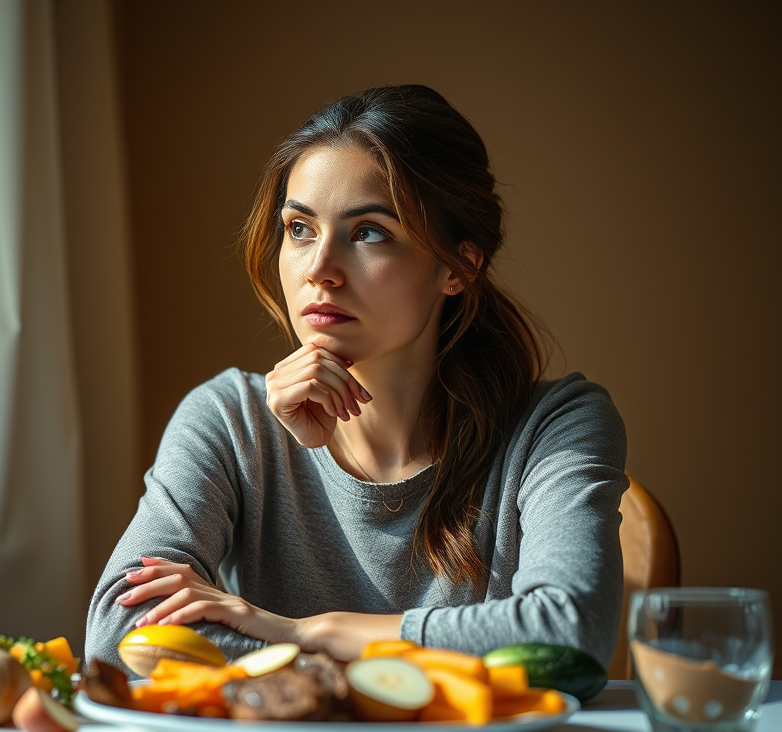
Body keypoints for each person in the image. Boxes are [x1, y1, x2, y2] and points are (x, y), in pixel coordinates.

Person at [84, 84, 627, 673]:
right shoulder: (230, 419)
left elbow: (569, 633)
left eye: (369, 232)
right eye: (299, 229)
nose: (319, 269)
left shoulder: (559, 425)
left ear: (459, 265)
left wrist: (308, 632)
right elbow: (119, 633)